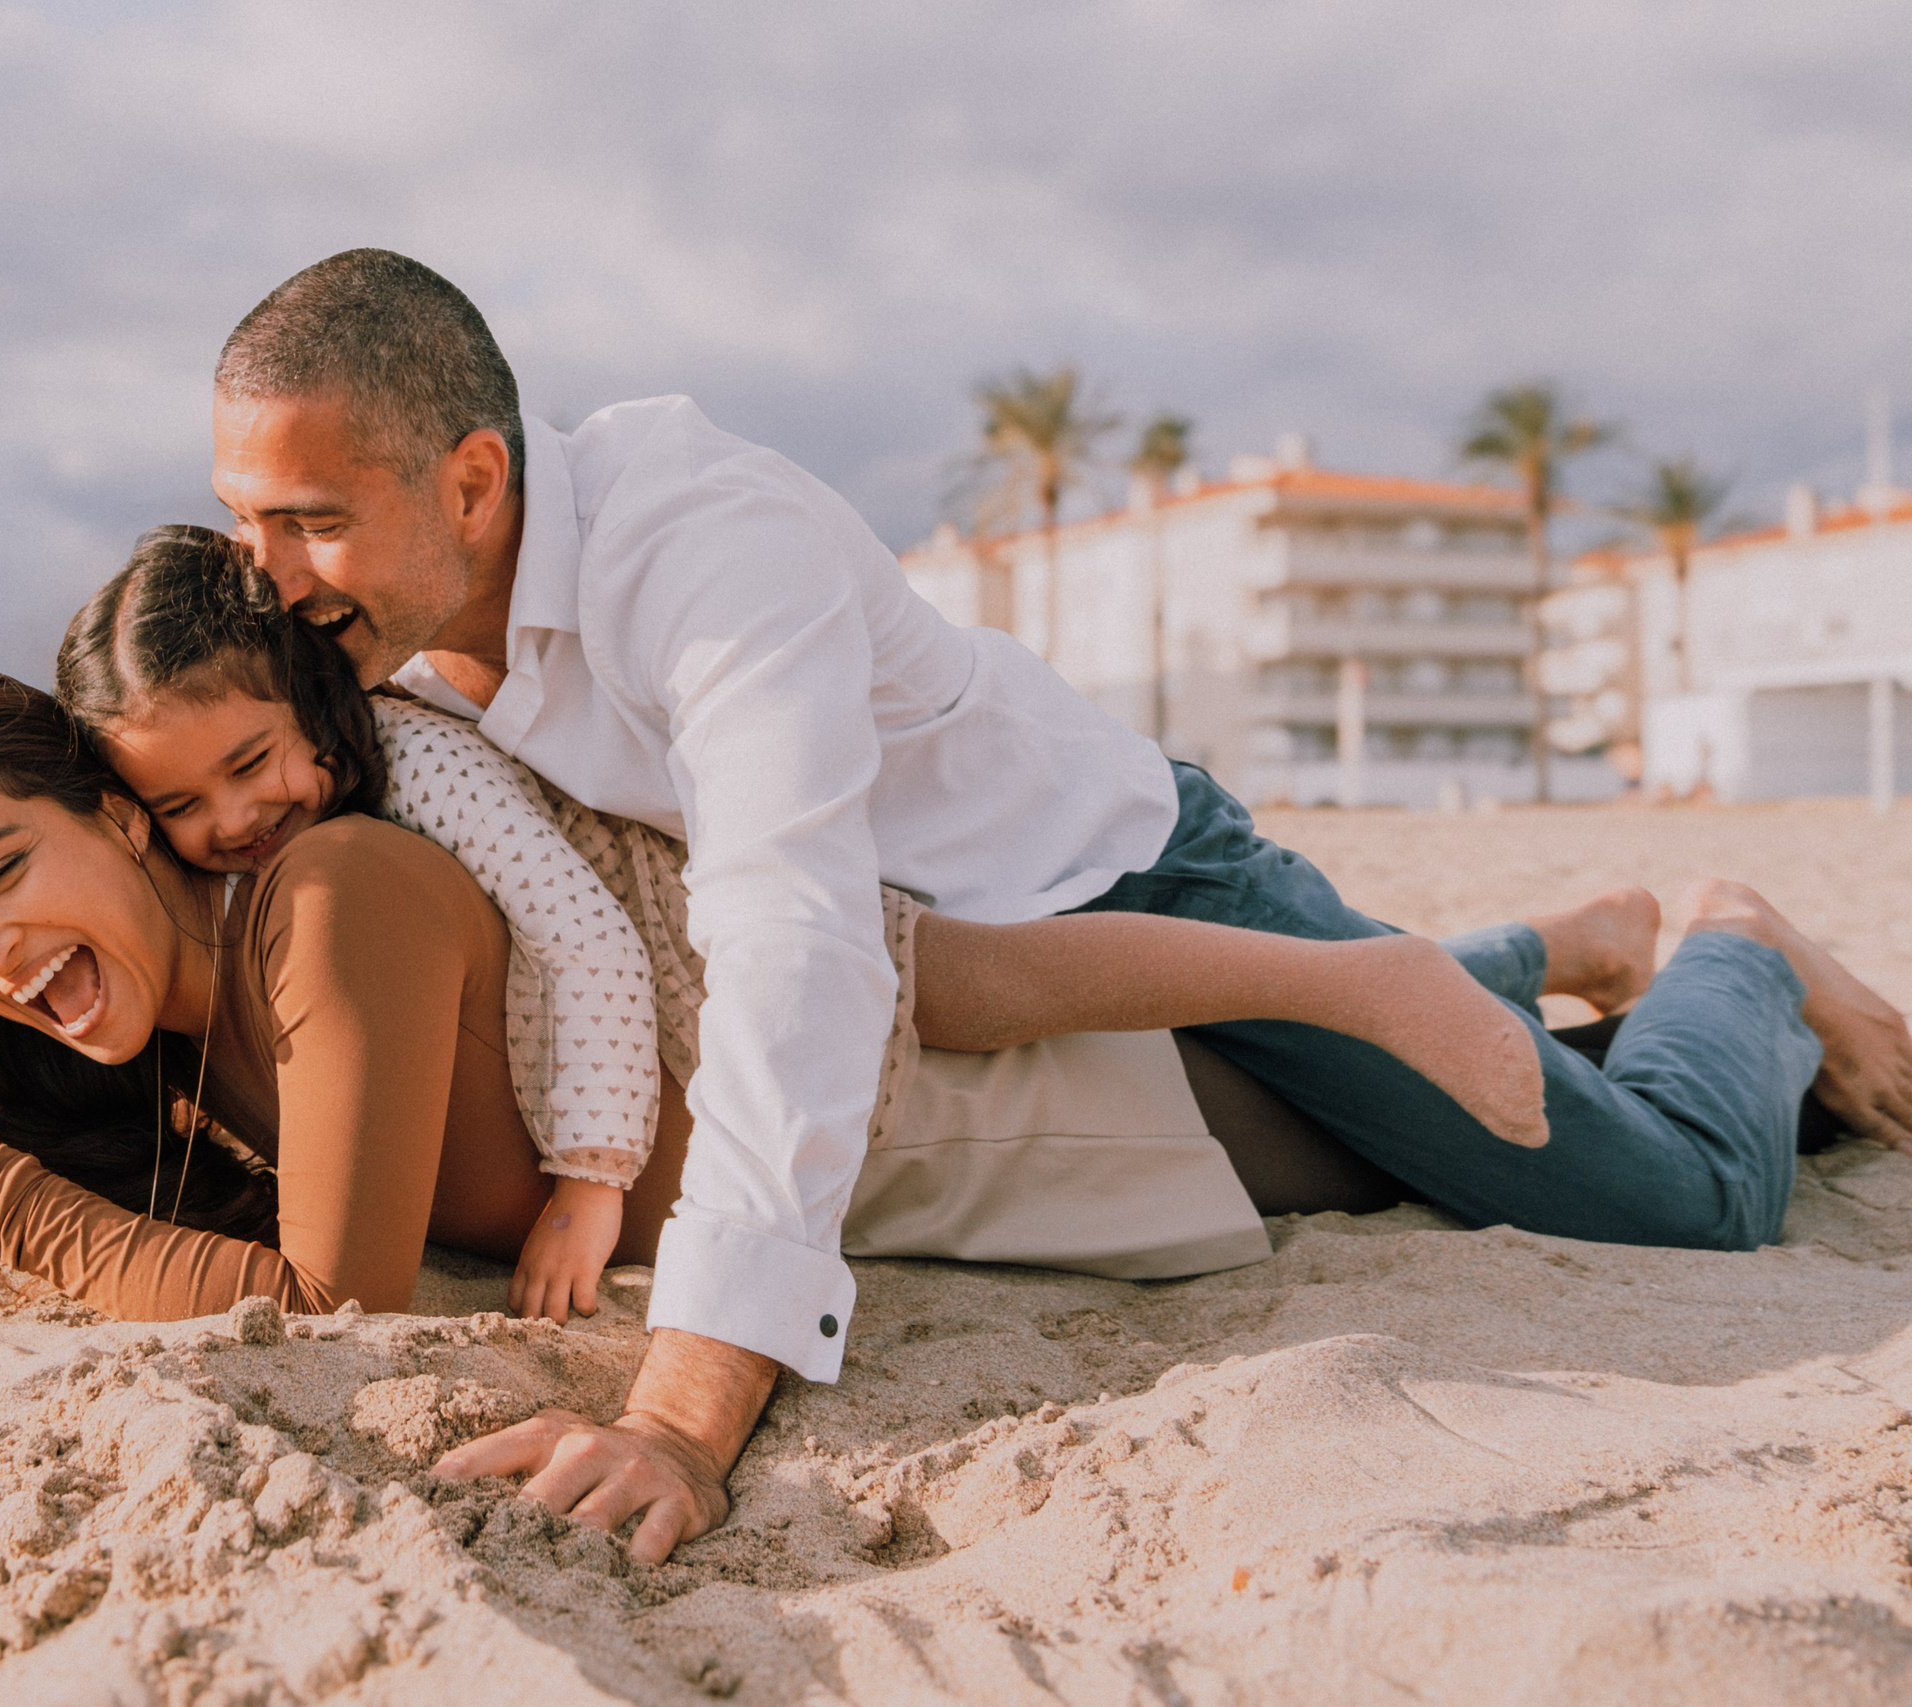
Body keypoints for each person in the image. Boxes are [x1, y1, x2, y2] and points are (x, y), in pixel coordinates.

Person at [201, 246, 1912, 1562]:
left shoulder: (703, 547)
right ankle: (1550, 949)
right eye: (242, 521)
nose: (265, 573)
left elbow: (786, 938)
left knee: (1672, 1203)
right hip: (983, 987)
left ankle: (1741, 949)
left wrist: (690, 1405)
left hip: (1136, 885)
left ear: (477, 485)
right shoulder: (375, 657)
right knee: (1397, 1136)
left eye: (310, 520)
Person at [50, 524, 1589, 1318]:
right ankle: (1527, 958)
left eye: (251, 768)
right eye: (186, 809)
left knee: (987, 992)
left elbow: (578, 938)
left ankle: (1367, 977)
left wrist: (592, 1180)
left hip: (719, 949)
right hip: (700, 960)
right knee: (1017, 999)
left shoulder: (418, 767)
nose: (233, 822)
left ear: (307, 698)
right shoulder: (283, 840)